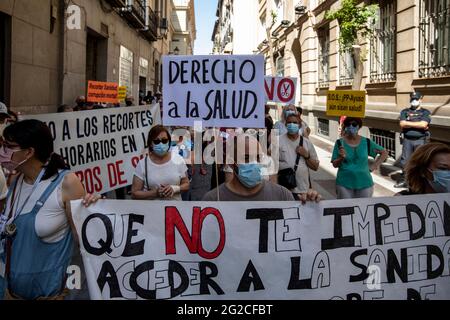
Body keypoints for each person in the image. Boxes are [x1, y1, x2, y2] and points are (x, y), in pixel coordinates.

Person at [0, 120, 97, 300]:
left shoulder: (67, 183)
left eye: (8, 147)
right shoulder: (15, 181)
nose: (2, 152)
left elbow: (87, 242)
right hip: (12, 293)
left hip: (51, 295)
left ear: (29, 152)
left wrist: (97, 208)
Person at [203, 134, 321, 203]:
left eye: (258, 157)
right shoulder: (213, 199)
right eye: (247, 158)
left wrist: (310, 208)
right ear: (232, 163)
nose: (254, 163)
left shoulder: (282, 196)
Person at [331, 117, 388, 199]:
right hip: (344, 183)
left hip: (364, 183)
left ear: (359, 127)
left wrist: (374, 166)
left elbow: (384, 153)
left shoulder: (366, 142)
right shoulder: (340, 143)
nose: (351, 126)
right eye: (348, 124)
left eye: (354, 124)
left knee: (363, 208)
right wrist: (340, 158)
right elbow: (335, 164)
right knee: (346, 209)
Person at [131, 125, 189, 201]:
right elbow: (134, 193)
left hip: (174, 210)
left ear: (169, 142)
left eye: (164, 140)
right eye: (156, 141)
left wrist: (174, 188)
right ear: (150, 143)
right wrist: (155, 193)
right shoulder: (143, 164)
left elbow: (186, 184)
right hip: (151, 210)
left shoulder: (178, 159)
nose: (161, 144)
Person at [278, 114, 320, 199]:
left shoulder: (306, 143)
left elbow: (315, 167)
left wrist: (306, 155)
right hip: (284, 189)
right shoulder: (278, 141)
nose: (292, 125)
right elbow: (271, 165)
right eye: (289, 122)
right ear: (285, 125)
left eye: (295, 122)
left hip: (303, 190)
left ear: (300, 125)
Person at [395, 92, 431, 188]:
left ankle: (420, 182)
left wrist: (409, 123)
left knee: (420, 161)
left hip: (421, 140)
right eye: (412, 99)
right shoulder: (405, 111)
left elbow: (423, 124)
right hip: (407, 140)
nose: (414, 101)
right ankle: (405, 181)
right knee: (405, 161)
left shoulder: (425, 112)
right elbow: (402, 124)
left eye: (416, 99)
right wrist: (417, 123)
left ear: (420, 100)